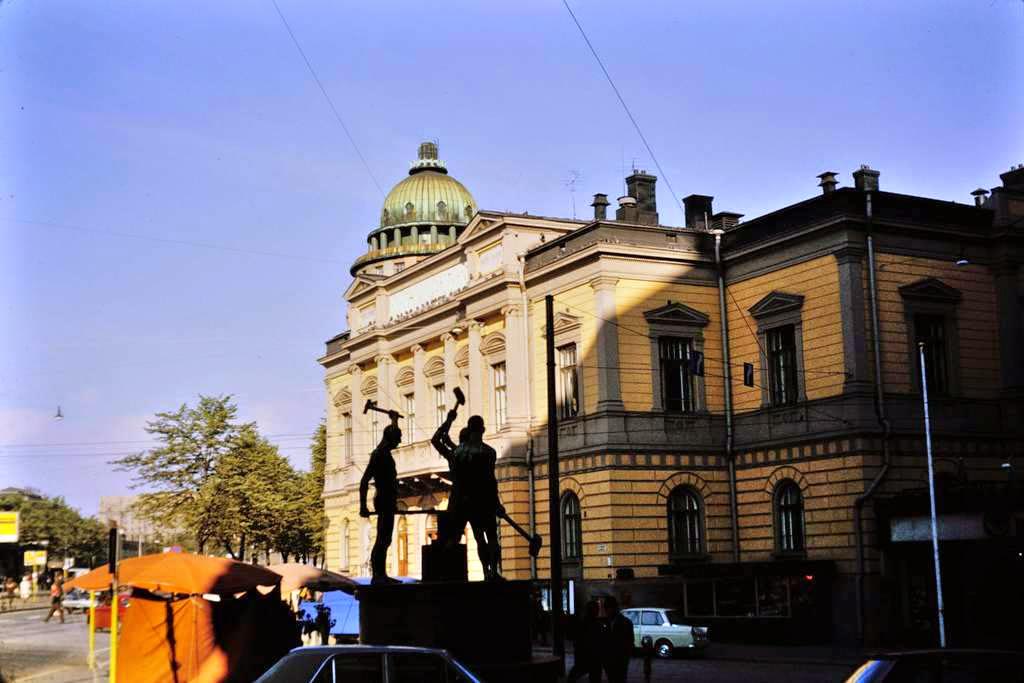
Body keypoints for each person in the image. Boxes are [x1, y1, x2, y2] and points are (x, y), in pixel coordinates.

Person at [432, 410, 503, 580]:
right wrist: (497, 503)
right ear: (483, 430)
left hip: (461, 503)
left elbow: (436, 440)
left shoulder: (456, 453)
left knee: (459, 539)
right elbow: (491, 480)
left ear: (469, 430)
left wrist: (448, 421)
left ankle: (446, 573)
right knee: (490, 538)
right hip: (483, 501)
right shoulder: (489, 452)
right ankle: (492, 573)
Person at [359, 409, 402, 584]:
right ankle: (378, 575)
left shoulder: (384, 452)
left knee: (386, 538)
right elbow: (364, 481)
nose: (399, 442)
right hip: (383, 499)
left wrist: (394, 420)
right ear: (390, 438)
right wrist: (363, 506)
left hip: (388, 498)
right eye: (397, 439)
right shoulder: (379, 455)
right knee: (383, 538)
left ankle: (381, 574)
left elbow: (391, 432)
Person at [600, 595, 634, 683]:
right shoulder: (604, 622)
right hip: (610, 661)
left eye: (608, 608)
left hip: (620, 660)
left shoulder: (626, 623)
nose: (607, 611)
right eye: (606, 608)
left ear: (615, 608)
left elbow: (629, 642)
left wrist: (624, 657)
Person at [567, 599, 602, 682]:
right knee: (594, 676)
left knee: (576, 673)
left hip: (586, 655)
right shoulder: (595, 624)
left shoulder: (583, 622)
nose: (597, 611)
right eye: (596, 609)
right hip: (591, 656)